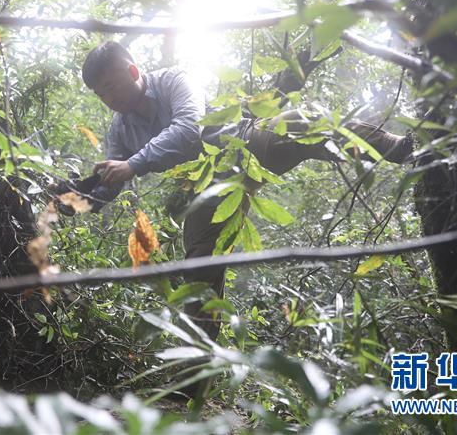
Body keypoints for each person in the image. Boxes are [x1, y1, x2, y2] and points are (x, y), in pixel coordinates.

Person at [68, 41, 412, 342]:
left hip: (245, 145)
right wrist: (73, 199)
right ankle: (195, 372)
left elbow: (188, 127)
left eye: (111, 86)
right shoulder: (121, 129)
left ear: (132, 70)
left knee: (304, 121)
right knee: (200, 265)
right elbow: (110, 182)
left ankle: (402, 148)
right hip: (206, 188)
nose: (108, 99)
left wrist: (134, 164)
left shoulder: (173, 81)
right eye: (100, 94)